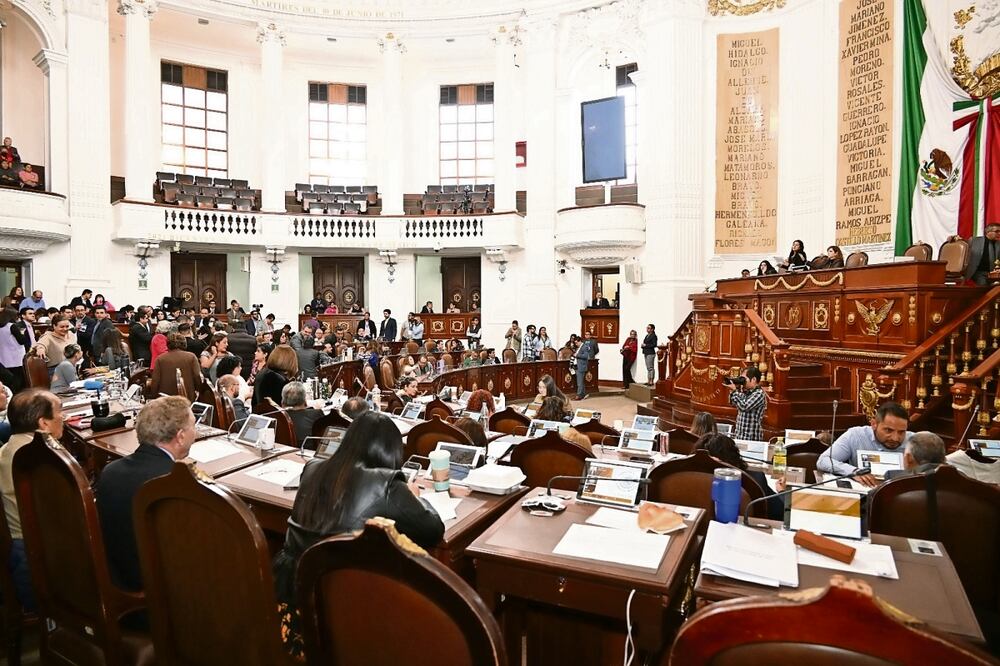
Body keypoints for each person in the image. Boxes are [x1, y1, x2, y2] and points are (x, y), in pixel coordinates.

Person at [272, 412, 445, 656]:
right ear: (391, 452)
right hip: (348, 605)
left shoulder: (312, 468)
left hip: (291, 592)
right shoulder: (387, 483)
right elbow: (432, 528)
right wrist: (415, 496)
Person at [96, 396, 195, 595]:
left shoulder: (110, 470)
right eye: (194, 426)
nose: (197, 432)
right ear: (180, 436)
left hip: (115, 576)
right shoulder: (175, 484)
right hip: (158, 590)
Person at [1, 388, 64, 612]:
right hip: (39, 561)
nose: (63, 417)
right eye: (59, 411)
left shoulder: (6, 449)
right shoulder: (40, 458)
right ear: (43, 423)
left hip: (20, 553)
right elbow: (64, 514)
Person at [817, 402, 911, 487]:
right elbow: (823, 461)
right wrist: (854, 472)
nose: (895, 438)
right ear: (874, 424)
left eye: (901, 432)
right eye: (888, 430)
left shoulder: (914, 441)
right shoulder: (856, 435)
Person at [696, 433, 784, 520]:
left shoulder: (689, 480)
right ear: (734, 456)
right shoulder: (756, 479)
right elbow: (780, 512)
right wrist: (782, 491)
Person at [150, 333, 203, 401]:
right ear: (184, 343)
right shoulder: (191, 357)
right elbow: (197, 376)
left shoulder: (160, 359)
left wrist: (153, 396)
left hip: (165, 399)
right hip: (187, 397)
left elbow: (155, 380)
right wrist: (199, 390)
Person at [727, 367, 766, 442]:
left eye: (744, 379)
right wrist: (733, 389)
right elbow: (731, 402)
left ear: (754, 379)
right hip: (739, 436)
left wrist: (734, 391)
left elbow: (744, 407)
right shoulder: (746, 392)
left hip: (751, 438)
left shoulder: (759, 394)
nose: (743, 382)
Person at [281, 381, 324, 448]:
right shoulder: (317, 414)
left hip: (285, 451)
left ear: (283, 401)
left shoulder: (279, 417)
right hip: (311, 451)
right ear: (304, 400)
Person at [574, 330, 598, 401]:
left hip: (581, 366)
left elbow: (585, 356)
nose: (576, 344)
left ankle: (579, 395)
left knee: (579, 382)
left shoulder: (584, 347)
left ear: (579, 341)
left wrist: (577, 355)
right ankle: (583, 394)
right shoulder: (579, 347)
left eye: (576, 342)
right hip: (578, 366)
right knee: (581, 381)